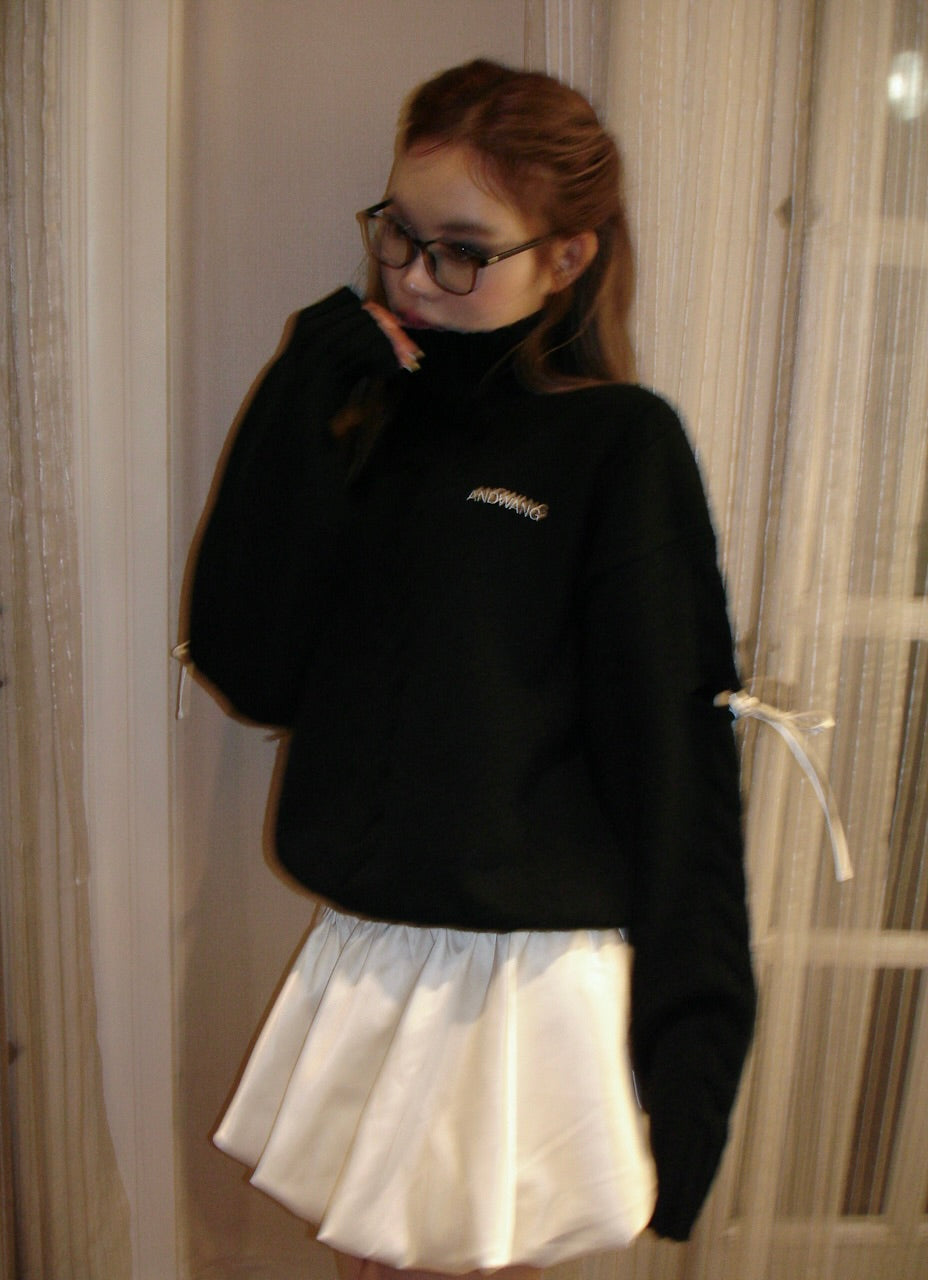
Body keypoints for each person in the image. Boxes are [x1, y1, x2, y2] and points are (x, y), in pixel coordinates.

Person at [186, 58, 756, 1280]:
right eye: (397, 232)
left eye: (462, 251)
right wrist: (301, 392)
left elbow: (674, 757)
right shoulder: (368, 416)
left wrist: (691, 1069)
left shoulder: (617, 443)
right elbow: (253, 668)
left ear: (567, 258)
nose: (410, 275)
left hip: (516, 969)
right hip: (381, 945)